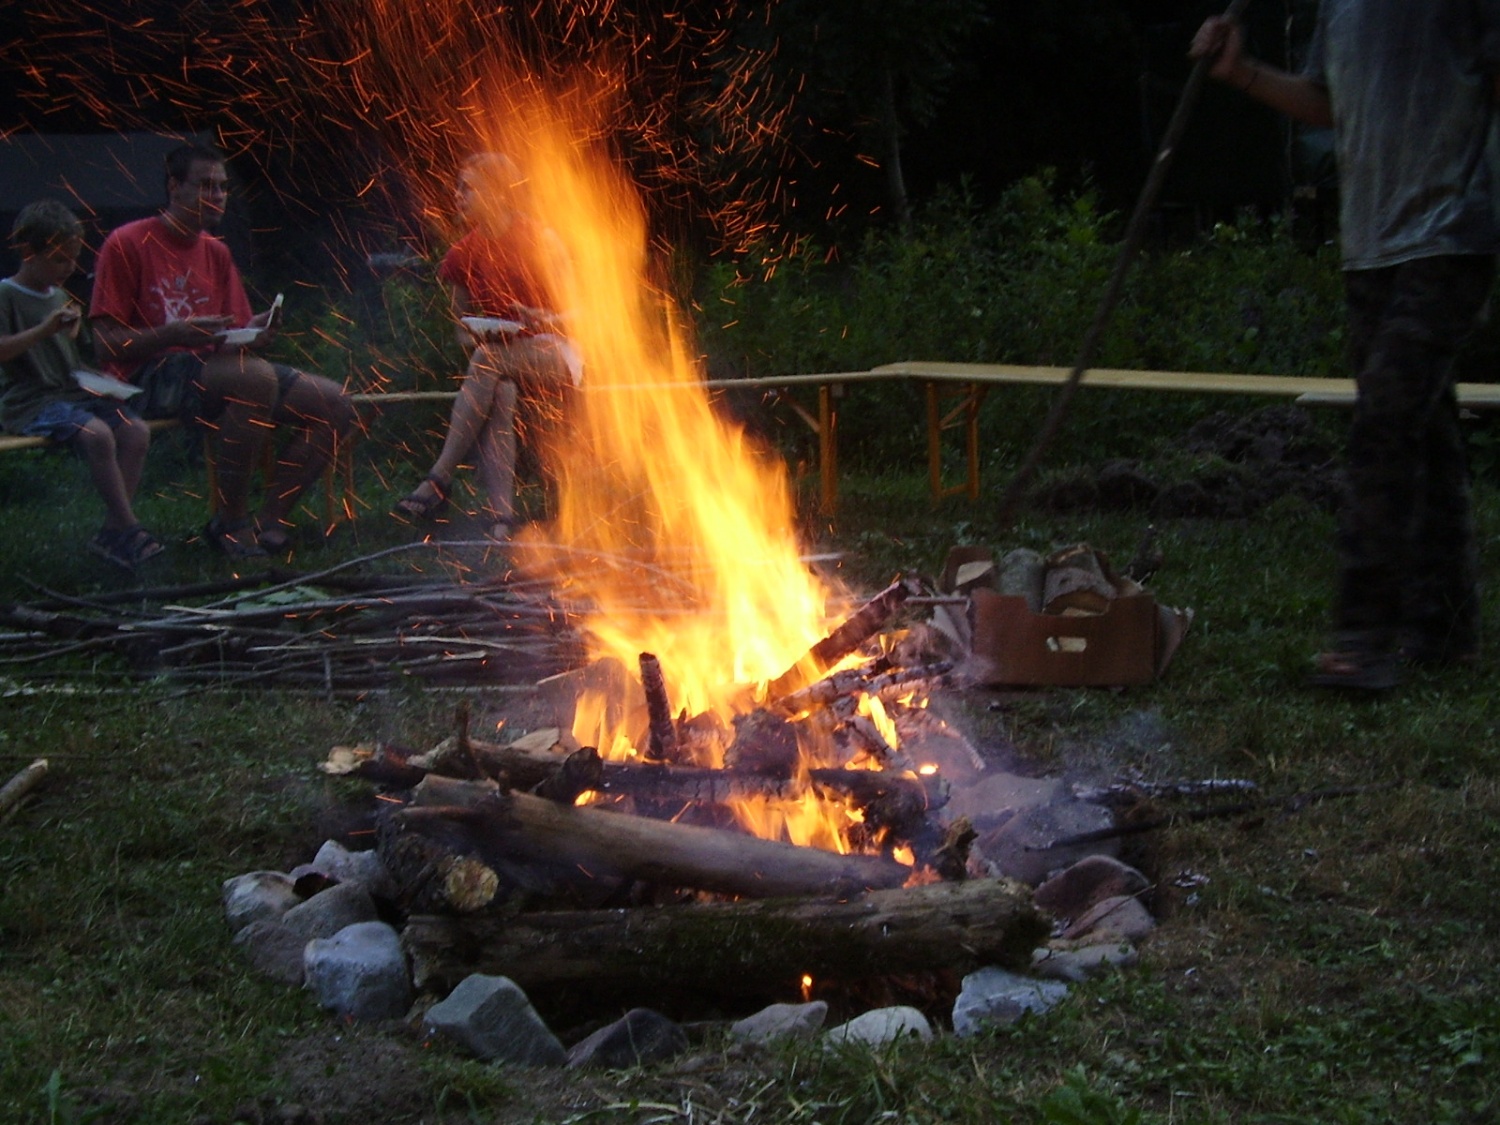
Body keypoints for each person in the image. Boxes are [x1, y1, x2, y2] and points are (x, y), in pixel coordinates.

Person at [1192, 3, 1500, 689]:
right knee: (1425, 432)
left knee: (1384, 421)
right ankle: (1446, 631)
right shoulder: (1340, 6)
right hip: (1370, 247)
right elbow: (1327, 103)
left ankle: (1364, 637)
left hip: (1454, 234)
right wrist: (1241, 71)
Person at [89, 142, 355, 559]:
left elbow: (232, 333)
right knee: (255, 378)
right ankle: (230, 524)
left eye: (223, 187)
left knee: (335, 403)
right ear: (174, 187)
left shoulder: (215, 251)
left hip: (212, 367)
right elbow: (105, 343)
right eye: (206, 186)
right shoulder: (128, 243)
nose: (217, 196)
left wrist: (255, 331)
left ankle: (270, 520)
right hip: (145, 375)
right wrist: (173, 333)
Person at [392, 152, 577, 541]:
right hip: (498, 361)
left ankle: (439, 477)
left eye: (468, 188)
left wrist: (544, 318)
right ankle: (502, 519)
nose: (457, 196)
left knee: (490, 361)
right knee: (500, 388)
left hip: (555, 352)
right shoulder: (462, 253)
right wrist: (482, 334)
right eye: (458, 187)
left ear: (497, 193)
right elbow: (460, 329)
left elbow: (582, 314)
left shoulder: (540, 239)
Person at [0, 200, 163, 571]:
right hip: (28, 401)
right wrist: (44, 330)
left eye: (74, 259)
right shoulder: (6, 295)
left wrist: (103, 381)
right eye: (59, 260)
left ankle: (113, 533)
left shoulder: (59, 296)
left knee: (135, 430)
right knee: (97, 435)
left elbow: (68, 359)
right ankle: (129, 529)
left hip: (68, 393)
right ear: (27, 253)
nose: (69, 268)